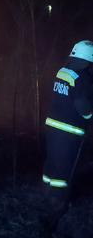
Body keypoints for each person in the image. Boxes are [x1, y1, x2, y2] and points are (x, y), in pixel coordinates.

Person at [42, 40, 93, 227]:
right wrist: (89, 113)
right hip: (69, 131)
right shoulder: (82, 78)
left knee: (52, 162)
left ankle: (47, 193)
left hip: (52, 126)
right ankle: (58, 202)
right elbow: (83, 107)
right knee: (64, 168)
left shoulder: (63, 71)